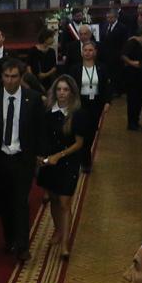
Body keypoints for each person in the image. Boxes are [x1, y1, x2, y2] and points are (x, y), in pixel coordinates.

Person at [0, 59, 48, 262]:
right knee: (4, 201)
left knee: (20, 202)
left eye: (14, 77)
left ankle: (22, 245)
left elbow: (40, 129)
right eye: (6, 76)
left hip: (23, 158)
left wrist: (39, 154)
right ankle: (9, 239)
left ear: (21, 78)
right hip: (0, 158)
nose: (10, 81)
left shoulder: (33, 99)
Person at [35, 73, 90, 257]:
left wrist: (59, 156)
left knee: (65, 202)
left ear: (72, 92)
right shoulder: (47, 111)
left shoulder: (78, 114)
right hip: (49, 161)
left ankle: (65, 244)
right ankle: (58, 229)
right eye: (59, 89)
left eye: (66, 90)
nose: (62, 93)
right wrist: (42, 155)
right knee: (53, 199)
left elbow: (79, 143)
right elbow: (42, 135)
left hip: (68, 161)